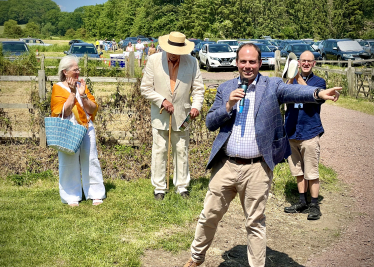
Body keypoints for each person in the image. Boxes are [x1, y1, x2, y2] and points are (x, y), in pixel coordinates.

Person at [183, 43, 341, 267]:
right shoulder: (226, 87)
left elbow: (293, 91)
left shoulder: (272, 85)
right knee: (208, 215)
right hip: (227, 166)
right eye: (243, 61)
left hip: (257, 168)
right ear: (237, 63)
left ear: (260, 63)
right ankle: (196, 258)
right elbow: (210, 122)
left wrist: (317, 93)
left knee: (255, 222)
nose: (248, 66)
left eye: (252, 62)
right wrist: (228, 105)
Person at [140, 31, 205, 200]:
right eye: (172, 51)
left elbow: (198, 89)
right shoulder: (153, 60)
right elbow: (145, 88)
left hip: (183, 115)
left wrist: (196, 106)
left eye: (178, 52)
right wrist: (162, 101)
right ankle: (159, 188)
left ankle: (182, 186)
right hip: (160, 114)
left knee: (181, 151)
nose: (175, 55)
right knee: (159, 151)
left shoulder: (192, 62)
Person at [283, 51, 336, 220]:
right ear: (298, 62)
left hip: (309, 131)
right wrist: (291, 75)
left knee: (311, 171)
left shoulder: (319, 82)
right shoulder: (290, 79)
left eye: (309, 61)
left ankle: (314, 204)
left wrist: (297, 77)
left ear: (314, 63)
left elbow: (311, 94)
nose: (306, 63)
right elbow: (284, 94)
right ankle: (301, 201)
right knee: (298, 170)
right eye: (303, 61)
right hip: (291, 131)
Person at [50, 55, 106, 207]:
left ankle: (95, 193)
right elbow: (62, 111)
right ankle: (71, 196)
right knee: (68, 161)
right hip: (68, 127)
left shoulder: (83, 85)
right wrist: (73, 93)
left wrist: (82, 94)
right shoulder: (58, 88)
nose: (78, 72)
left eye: (78, 69)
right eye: (75, 70)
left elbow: (93, 108)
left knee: (91, 159)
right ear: (65, 72)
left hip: (86, 127)